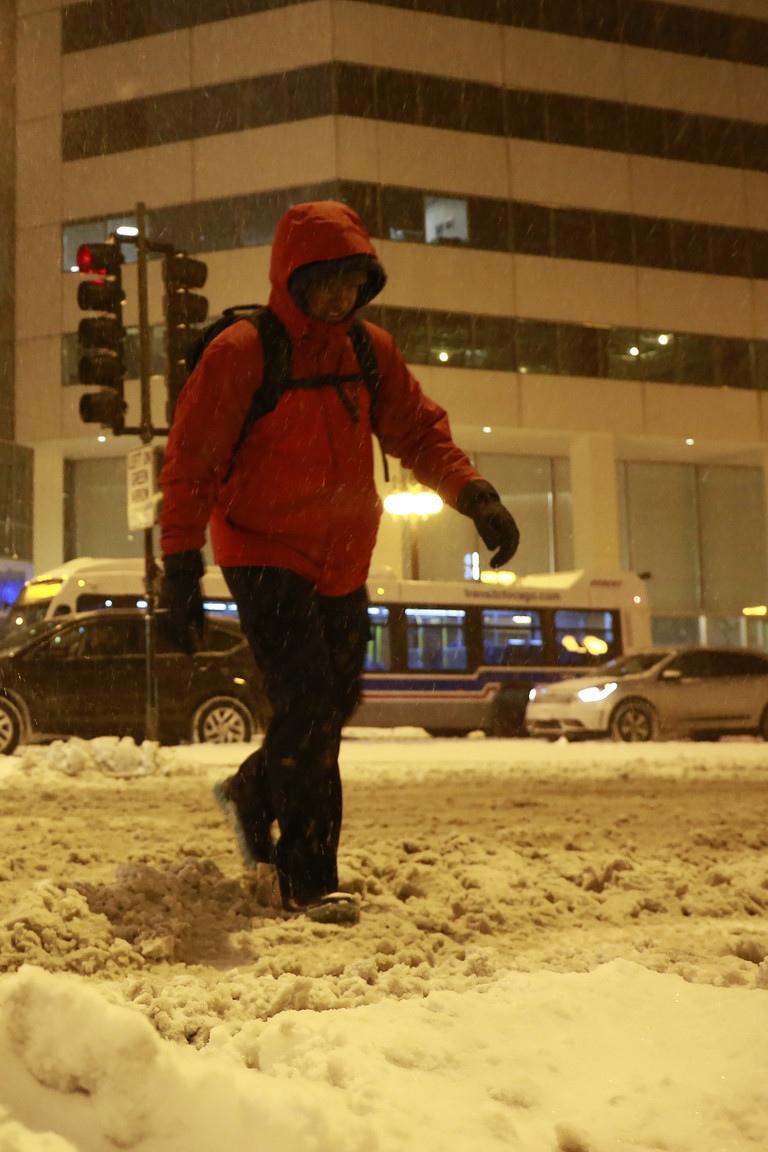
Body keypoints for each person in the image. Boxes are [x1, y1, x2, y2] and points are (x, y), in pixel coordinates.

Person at [159, 200, 519, 925]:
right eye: (325, 281)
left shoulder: (368, 351)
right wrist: (179, 567)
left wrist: (474, 494)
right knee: (310, 710)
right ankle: (309, 877)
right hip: (261, 550)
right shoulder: (242, 353)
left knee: (330, 710)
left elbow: (418, 431)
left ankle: (252, 793)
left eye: (353, 282)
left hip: (343, 562)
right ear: (290, 278)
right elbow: (190, 464)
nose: (339, 296)